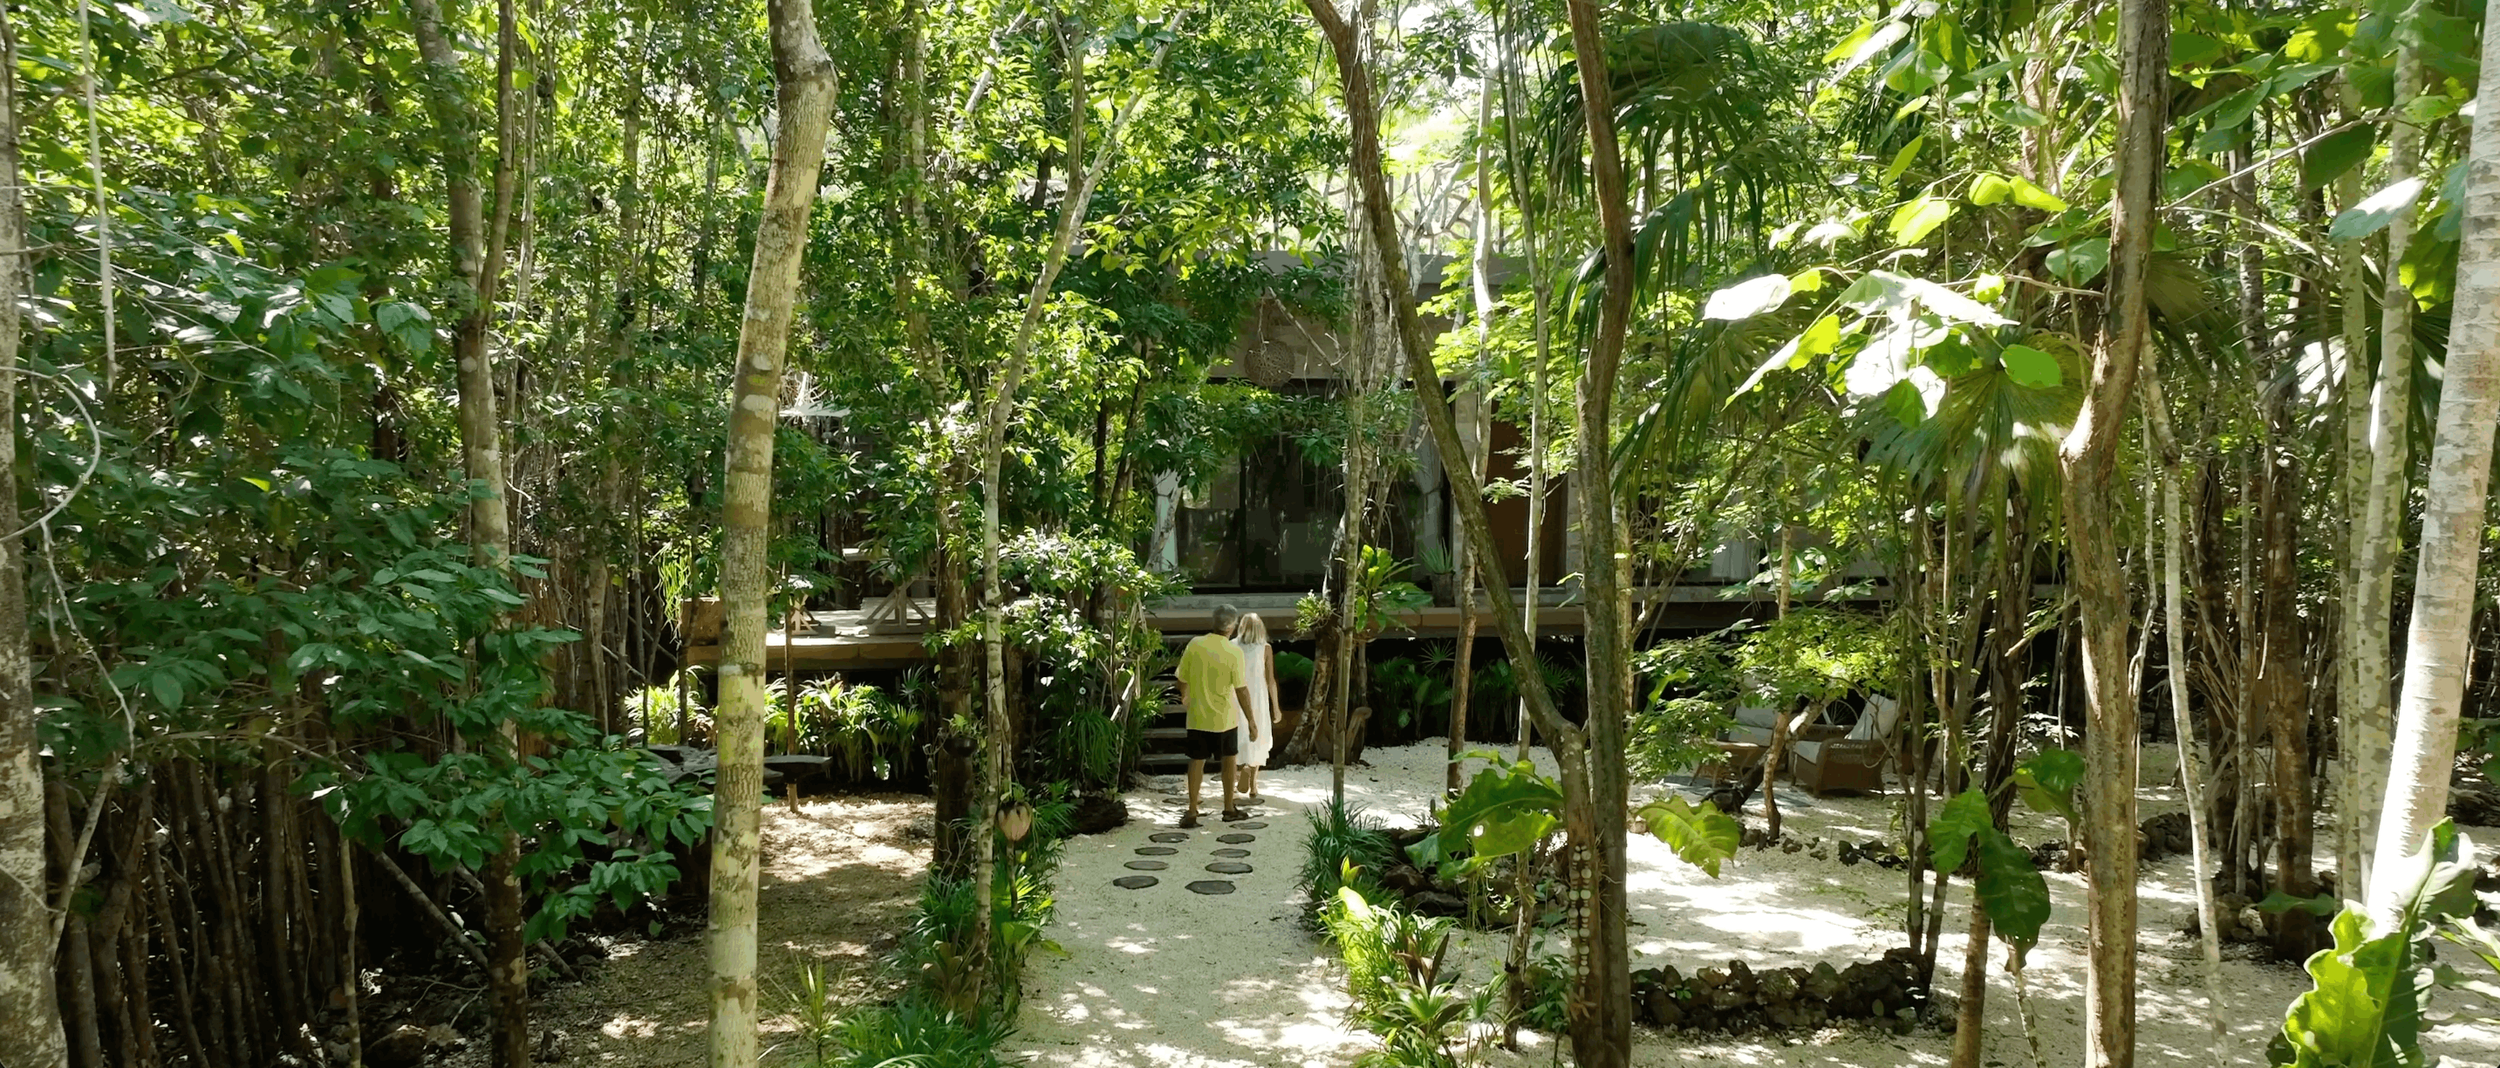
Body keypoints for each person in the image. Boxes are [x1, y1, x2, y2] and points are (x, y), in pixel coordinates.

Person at [1174, 603, 1255, 828]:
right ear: (1232, 627)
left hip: (1198, 715)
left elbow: (1181, 679)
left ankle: (1191, 810)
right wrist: (1252, 720)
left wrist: (1185, 697)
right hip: (1225, 718)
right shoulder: (1233, 652)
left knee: (1196, 761)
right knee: (1229, 761)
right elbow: (1241, 690)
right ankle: (1228, 807)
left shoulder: (1195, 644)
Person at [1232, 612, 1279, 802]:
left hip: (1236, 696)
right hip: (1258, 698)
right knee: (1257, 735)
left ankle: (1239, 771)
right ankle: (1253, 783)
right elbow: (1271, 681)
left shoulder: (1231, 646)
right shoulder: (1265, 648)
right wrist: (1276, 707)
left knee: (1238, 734)